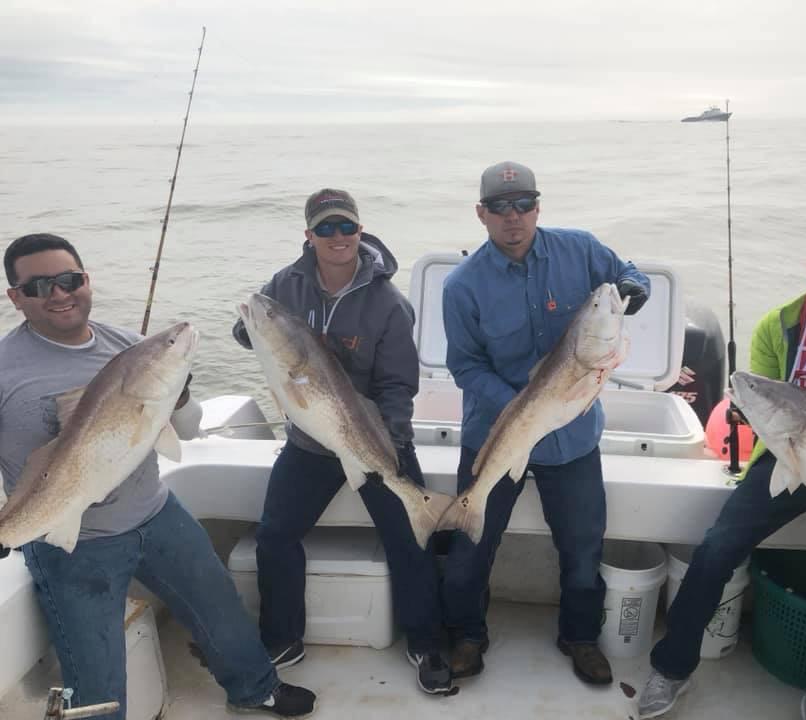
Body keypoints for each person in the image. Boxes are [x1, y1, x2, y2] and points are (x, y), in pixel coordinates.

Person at [0, 233, 316, 719]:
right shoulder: (5, 369)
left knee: (221, 611)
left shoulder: (128, 346)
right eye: (40, 285)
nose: (60, 294)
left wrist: (179, 394)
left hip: (155, 512)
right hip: (71, 539)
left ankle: (256, 688)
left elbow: (185, 433)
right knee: (97, 676)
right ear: (15, 297)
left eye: (69, 280)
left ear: (86, 281)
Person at [635, 230, 806, 720]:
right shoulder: (776, 326)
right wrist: (793, 450)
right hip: (786, 455)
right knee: (718, 546)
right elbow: (756, 398)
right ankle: (672, 668)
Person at [232, 189, 451, 695]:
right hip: (310, 443)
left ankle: (426, 641)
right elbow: (250, 329)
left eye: (346, 227)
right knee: (275, 535)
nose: (338, 238)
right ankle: (283, 638)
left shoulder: (389, 304)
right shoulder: (283, 286)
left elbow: (398, 386)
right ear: (308, 235)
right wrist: (250, 330)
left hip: (374, 438)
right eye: (326, 229)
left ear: (360, 231)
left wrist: (386, 451)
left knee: (410, 537)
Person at [440, 161, 651, 685]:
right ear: (481, 214)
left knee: (583, 548)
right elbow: (464, 366)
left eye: (524, 204)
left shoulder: (579, 249)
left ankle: (578, 637)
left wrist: (630, 289)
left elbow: (629, 274)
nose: (514, 217)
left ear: (538, 207)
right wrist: (521, 406)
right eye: (500, 208)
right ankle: (468, 634)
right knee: (470, 549)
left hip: (573, 437)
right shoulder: (461, 286)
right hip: (496, 432)